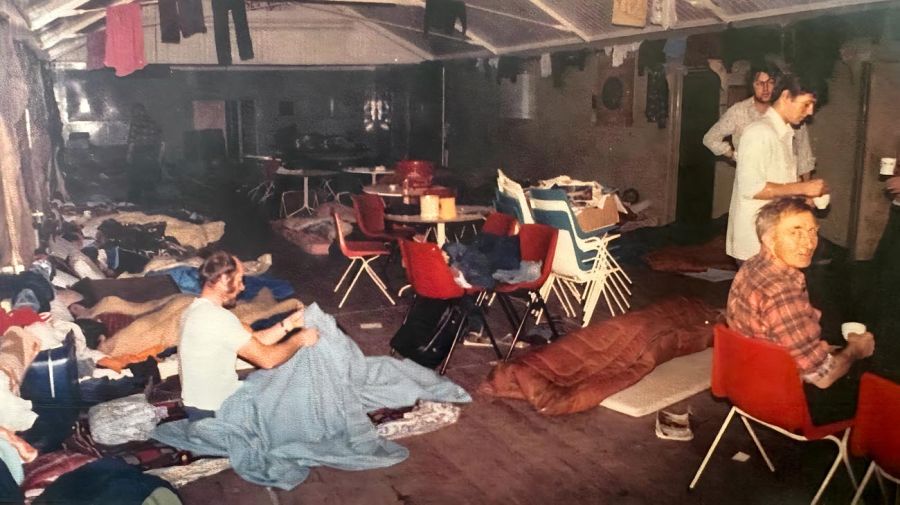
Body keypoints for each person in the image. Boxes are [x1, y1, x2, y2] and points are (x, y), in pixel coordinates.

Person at [727, 198, 876, 424]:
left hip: (748, 381)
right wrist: (856, 349)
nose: (808, 243)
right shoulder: (781, 291)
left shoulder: (752, 265)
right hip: (784, 400)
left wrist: (815, 346)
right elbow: (823, 380)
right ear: (769, 238)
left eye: (812, 232)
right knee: (882, 391)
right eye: (795, 233)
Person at [178, 251, 317, 420]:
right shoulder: (217, 318)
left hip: (199, 406)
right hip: (216, 410)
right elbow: (268, 360)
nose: (243, 287)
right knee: (298, 396)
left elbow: (254, 342)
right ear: (223, 280)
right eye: (239, 280)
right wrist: (300, 339)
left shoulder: (196, 310)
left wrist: (289, 325)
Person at [725, 73, 828, 262]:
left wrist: (803, 195)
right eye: (806, 104)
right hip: (755, 240)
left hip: (774, 234)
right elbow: (752, 188)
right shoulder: (759, 133)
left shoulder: (784, 133)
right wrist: (802, 187)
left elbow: (777, 182)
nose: (811, 111)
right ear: (786, 96)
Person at [702, 63, 816, 181]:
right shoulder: (739, 111)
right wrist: (733, 155)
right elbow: (710, 138)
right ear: (752, 86)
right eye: (760, 83)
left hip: (787, 183)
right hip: (754, 184)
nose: (765, 88)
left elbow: (804, 152)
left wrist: (806, 191)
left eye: (770, 82)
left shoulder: (789, 110)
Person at [125, 104, 164, 203]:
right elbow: (161, 141)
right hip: (151, 153)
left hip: (139, 153)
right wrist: (159, 157)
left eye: (135, 112)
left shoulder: (136, 123)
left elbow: (132, 141)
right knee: (149, 179)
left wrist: (129, 155)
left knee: (136, 179)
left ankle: (133, 203)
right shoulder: (153, 122)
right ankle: (151, 203)